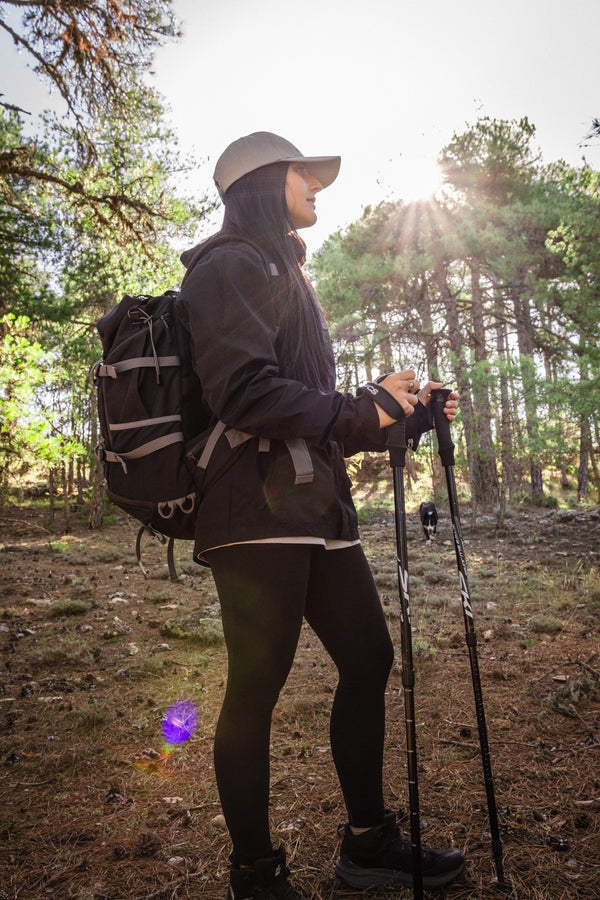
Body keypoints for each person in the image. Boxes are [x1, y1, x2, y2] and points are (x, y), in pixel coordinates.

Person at [175, 132, 464, 900]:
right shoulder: (226, 265)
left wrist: (400, 417)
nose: (317, 188)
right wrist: (353, 406)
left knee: (368, 658)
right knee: (256, 687)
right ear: (266, 182)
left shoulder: (285, 273)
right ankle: (256, 875)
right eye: (307, 176)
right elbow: (243, 394)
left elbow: (314, 411)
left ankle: (367, 844)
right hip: (251, 512)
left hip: (316, 506)